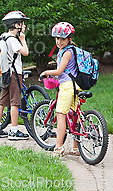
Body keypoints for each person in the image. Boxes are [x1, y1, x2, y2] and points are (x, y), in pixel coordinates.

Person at [0, 11, 30, 140]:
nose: (24, 26)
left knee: (2, 101)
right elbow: (25, 52)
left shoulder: (2, 37)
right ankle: (14, 131)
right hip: (15, 74)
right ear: (16, 25)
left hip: (5, 74)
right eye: (22, 23)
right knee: (15, 103)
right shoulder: (13, 40)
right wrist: (23, 39)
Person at [40, 22, 81, 157]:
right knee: (74, 115)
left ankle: (58, 148)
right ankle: (75, 148)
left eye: (62, 39)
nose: (59, 41)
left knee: (61, 115)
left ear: (69, 39)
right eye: (57, 38)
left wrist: (46, 72)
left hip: (68, 87)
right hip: (76, 86)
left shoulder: (67, 52)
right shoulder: (70, 50)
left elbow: (59, 71)